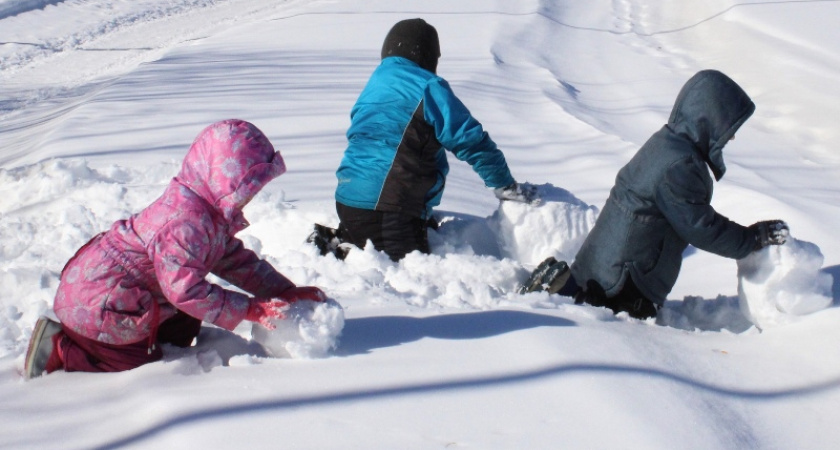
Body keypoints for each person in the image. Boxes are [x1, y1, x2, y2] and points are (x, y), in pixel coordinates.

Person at [23, 120, 327, 378]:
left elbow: (233, 261)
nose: (250, 198)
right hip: (98, 303)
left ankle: (133, 338)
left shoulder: (204, 212)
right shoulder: (186, 222)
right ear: (223, 182)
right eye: (246, 190)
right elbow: (184, 291)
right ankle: (61, 349)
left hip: (120, 295)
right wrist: (249, 309)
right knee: (136, 360)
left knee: (185, 325)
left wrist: (282, 291)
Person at [519, 70, 789, 319]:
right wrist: (752, 238)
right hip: (622, 283)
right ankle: (561, 296)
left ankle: (564, 290)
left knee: (591, 301)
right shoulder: (679, 165)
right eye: (728, 128)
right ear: (710, 119)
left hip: (602, 267)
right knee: (603, 319)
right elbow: (699, 227)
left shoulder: (668, 144)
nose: (730, 138)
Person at [326, 18, 535, 261]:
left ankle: (334, 246)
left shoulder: (375, 84)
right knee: (408, 286)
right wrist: (504, 184)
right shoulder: (427, 86)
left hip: (347, 201)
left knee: (365, 262)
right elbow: (470, 139)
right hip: (388, 209)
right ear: (427, 55)